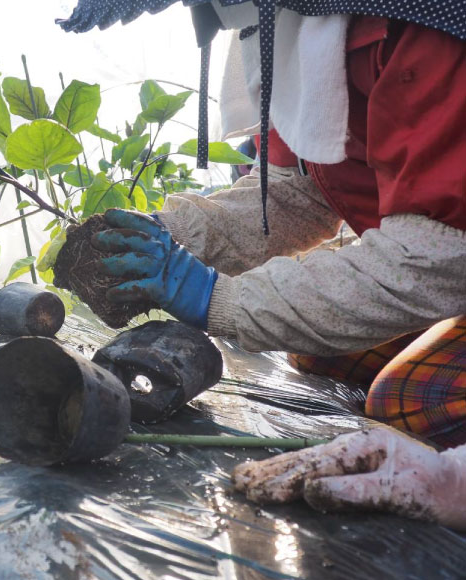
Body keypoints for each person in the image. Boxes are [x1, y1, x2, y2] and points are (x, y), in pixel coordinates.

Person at [88, 10, 465, 526]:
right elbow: (295, 196)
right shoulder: (305, 37)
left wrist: (214, 298)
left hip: (448, 253)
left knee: (411, 401)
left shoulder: (426, 28)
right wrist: (174, 233)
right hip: (445, 255)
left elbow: (434, 258)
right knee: (321, 356)